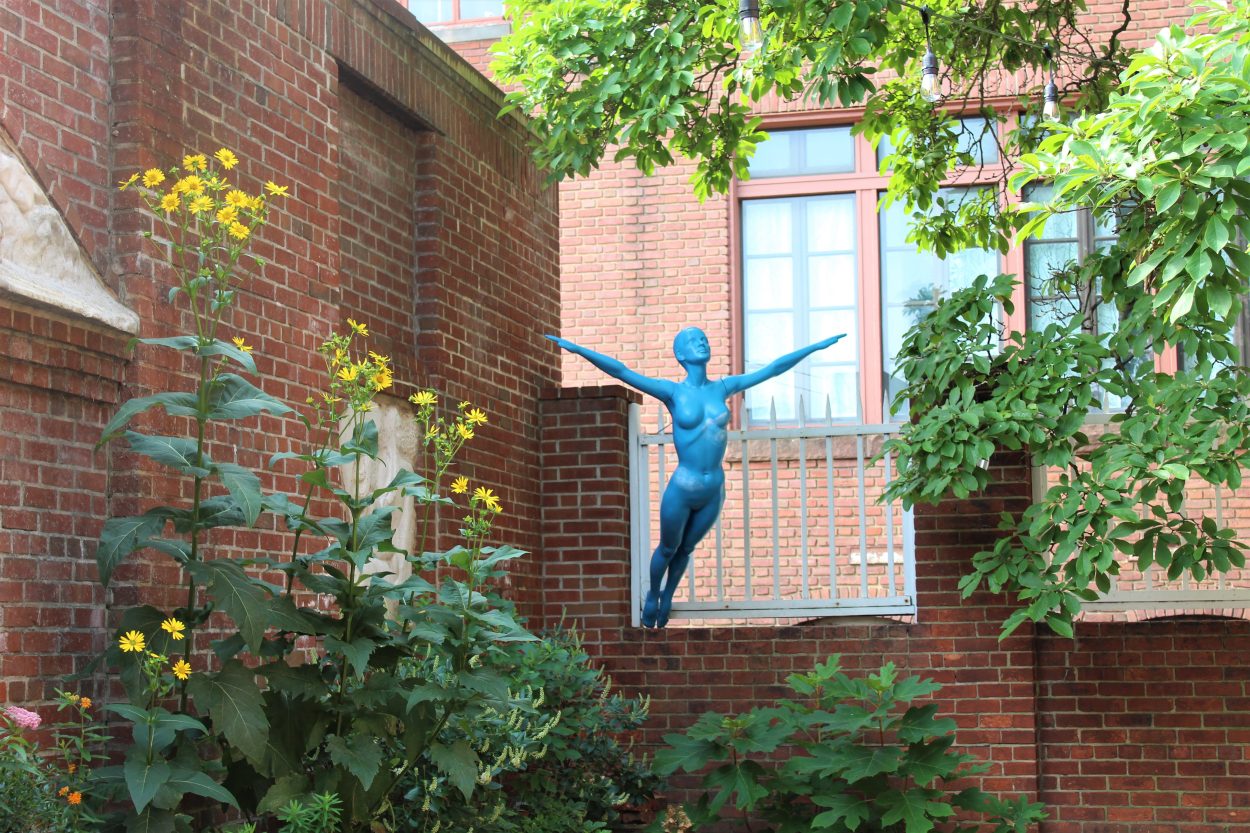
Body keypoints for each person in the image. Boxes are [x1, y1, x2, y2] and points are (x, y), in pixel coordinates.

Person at [547, 328, 845, 627]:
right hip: (683, 487)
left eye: (704, 338)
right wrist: (579, 350)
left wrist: (813, 348)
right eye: (694, 341)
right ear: (680, 354)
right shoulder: (672, 392)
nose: (702, 342)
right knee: (668, 547)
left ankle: (668, 596)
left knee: (686, 549)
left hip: (713, 488)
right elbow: (621, 371)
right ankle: (653, 594)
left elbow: (773, 369)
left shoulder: (724, 387)